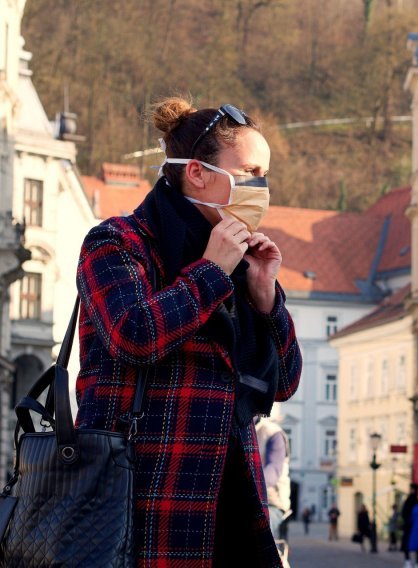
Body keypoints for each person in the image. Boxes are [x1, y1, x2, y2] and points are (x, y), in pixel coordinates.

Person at [73, 97, 303, 566]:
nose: (260, 188)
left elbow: (284, 383)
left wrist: (266, 299)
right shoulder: (118, 242)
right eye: (250, 172)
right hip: (142, 498)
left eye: (265, 176)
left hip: (232, 500)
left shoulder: (239, 257)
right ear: (197, 173)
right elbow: (134, 336)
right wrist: (211, 271)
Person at [255, 416, 292, 539]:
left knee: (259, 529)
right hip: (239, 500)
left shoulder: (273, 433)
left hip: (271, 501)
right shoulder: (231, 427)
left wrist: (250, 487)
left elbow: (274, 469)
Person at [400, 483, 418, 568]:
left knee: (407, 544)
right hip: (416, 526)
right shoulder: (417, 500)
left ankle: (408, 561)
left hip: (409, 526)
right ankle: (417, 563)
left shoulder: (409, 500)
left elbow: (403, 512)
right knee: (417, 545)